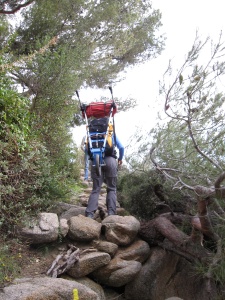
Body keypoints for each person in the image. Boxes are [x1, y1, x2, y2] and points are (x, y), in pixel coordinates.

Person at [85, 135, 124, 218]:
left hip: (96, 160)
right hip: (110, 161)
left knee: (96, 189)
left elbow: (87, 151)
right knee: (112, 188)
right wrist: (120, 158)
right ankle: (111, 213)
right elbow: (121, 147)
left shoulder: (91, 134)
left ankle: (89, 214)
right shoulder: (110, 133)